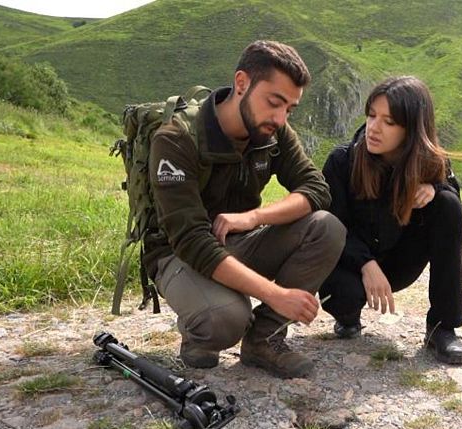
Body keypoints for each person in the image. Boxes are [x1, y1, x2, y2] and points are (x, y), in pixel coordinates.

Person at [146, 40, 346, 379]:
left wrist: (255, 217)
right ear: (242, 83)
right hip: (176, 254)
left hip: (237, 240)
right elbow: (193, 241)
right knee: (225, 319)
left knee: (327, 228)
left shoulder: (273, 130)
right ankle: (199, 329)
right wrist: (275, 294)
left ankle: (264, 340)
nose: (281, 118)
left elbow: (316, 190)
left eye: (290, 109)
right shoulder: (177, 139)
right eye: (274, 102)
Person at [319, 76, 462, 365]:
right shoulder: (342, 161)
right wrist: (365, 264)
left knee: (447, 205)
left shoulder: (432, 161)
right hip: (352, 265)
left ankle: (442, 328)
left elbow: (452, 205)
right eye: (372, 115)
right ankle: (349, 317)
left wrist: (435, 189)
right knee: (342, 297)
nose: (374, 128)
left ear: (411, 128)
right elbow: (332, 224)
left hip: (399, 260)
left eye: (389, 121)